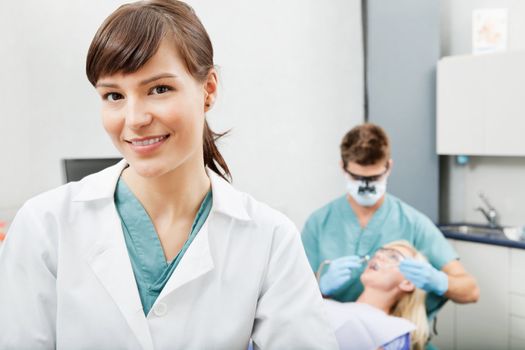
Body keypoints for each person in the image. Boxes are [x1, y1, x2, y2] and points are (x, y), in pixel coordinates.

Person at [0, 1, 338, 349]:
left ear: (208, 90)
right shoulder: (45, 225)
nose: (134, 119)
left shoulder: (268, 238)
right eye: (113, 95)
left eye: (159, 89)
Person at [302, 123, 479, 320]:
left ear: (389, 167)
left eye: (374, 177)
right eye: (358, 177)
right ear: (343, 167)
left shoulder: (414, 223)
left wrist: (438, 281)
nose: (366, 186)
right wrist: (321, 289)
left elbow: (471, 291)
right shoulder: (319, 224)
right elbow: (294, 301)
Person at [323, 241, 430, 350]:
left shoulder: (394, 332)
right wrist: (319, 292)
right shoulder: (328, 306)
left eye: (393, 257)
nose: (378, 255)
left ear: (407, 283)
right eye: (380, 251)